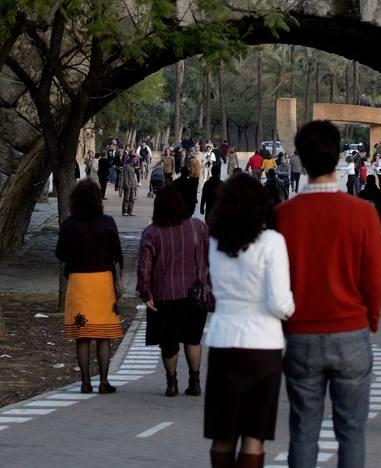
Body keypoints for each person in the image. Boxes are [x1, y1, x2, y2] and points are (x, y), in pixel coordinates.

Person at [276, 120, 381, 468]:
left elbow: (276, 281)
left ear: (301, 161)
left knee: (304, 431)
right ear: (339, 157)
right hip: (351, 332)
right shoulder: (363, 214)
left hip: (301, 334)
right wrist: (371, 320)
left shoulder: (282, 216)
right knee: (351, 432)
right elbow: (375, 279)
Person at [204, 172, 294, 468]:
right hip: (262, 345)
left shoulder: (215, 242)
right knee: (254, 434)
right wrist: (292, 309)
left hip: (222, 340)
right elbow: (279, 302)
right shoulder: (272, 242)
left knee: (223, 431)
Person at [136, 185, 210, 398]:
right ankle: (195, 382)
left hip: (164, 295)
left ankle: (172, 383)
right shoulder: (198, 227)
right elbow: (209, 256)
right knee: (193, 339)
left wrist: (146, 292)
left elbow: (145, 266)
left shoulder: (152, 232)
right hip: (195, 294)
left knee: (168, 342)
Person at [55, 179, 123, 394]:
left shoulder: (69, 224)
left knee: (82, 335)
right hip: (102, 282)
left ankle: (85, 382)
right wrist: (119, 279)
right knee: (103, 335)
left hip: (78, 281)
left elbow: (60, 253)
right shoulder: (107, 222)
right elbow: (117, 253)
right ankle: (104, 381)